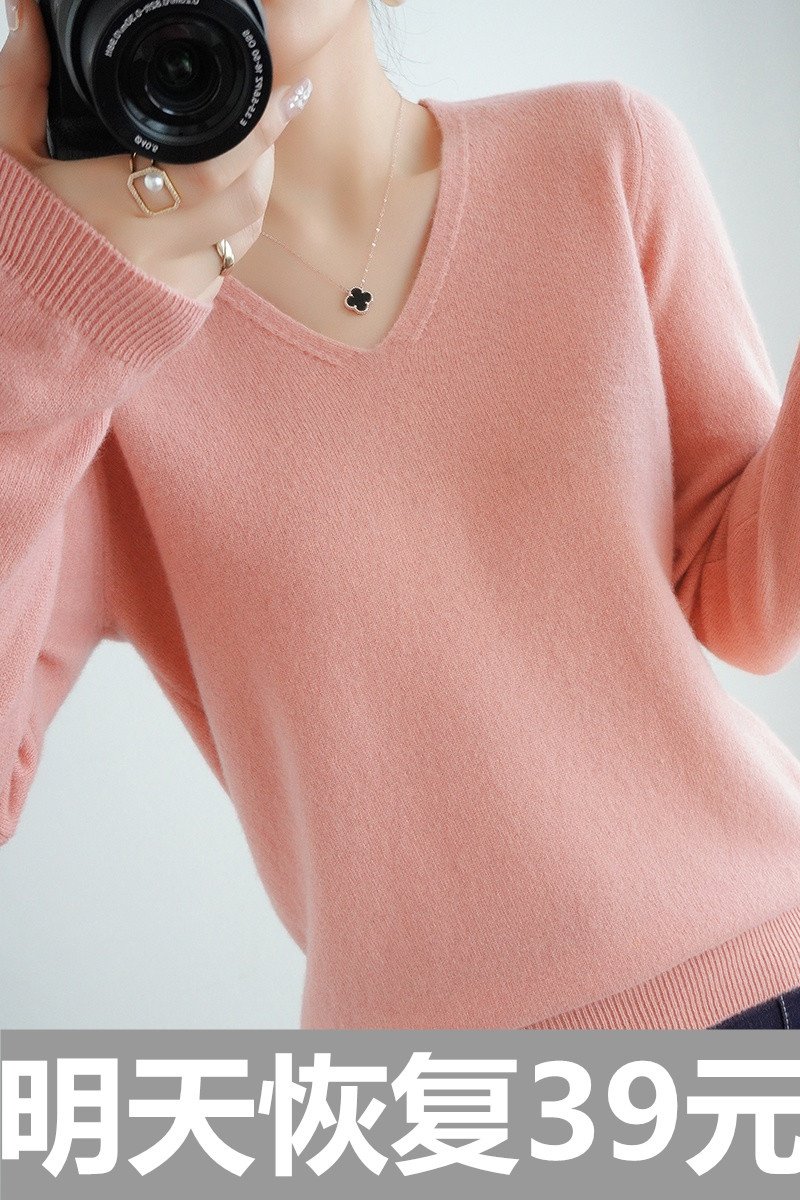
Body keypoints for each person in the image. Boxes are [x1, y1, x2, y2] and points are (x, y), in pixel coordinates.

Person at [1, 0, 800, 1032]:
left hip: (761, 963)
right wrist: (33, 319)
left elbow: (743, 608)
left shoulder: (601, 152)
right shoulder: (87, 339)